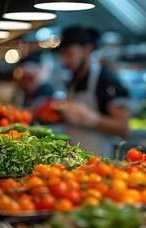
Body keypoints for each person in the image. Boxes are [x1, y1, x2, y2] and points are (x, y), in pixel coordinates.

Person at [55, 26, 130, 157]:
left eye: (69, 54)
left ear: (87, 49)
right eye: (61, 55)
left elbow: (123, 127)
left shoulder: (105, 80)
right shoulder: (74, 78)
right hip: (73, 163)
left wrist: (92, 119)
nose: (64, 61)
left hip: (97, 164)